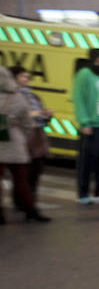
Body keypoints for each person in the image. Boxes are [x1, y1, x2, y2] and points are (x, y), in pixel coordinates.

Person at [1, 66, 46, 223]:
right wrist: (24, 136)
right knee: (21, 179)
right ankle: (30, 209)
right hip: (15, 142)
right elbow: (27, 123)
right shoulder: (17, 97)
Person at [9, 65, 53, 219]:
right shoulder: (12, 96)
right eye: (23, 76)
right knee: (22, 175)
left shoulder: (33, 96)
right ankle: (24, 204)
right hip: (22, 139)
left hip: (37, 137)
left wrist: (46, 115)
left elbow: (38, 115)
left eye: (27, 76)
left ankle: (29, 203)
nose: (27, 79)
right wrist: (35, 114)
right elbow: (13, 117)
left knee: (35, 172)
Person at [72, 48, 99, 204]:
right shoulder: (84, 74)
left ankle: (98, 192)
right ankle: (83, 194)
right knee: (85, 161)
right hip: (90, 125)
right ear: (98, 58)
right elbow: (79, 98)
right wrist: (84, 122)